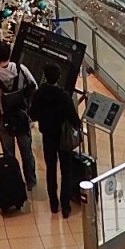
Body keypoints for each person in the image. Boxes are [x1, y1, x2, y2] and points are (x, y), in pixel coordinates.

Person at [29, 63, 81, 218]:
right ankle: (66, 206)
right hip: (63, 137)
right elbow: (73, 118)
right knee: (66, 171)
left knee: (50, 169)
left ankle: (53, 204)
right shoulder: (63, 95)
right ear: (59, 77)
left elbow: (33, 115)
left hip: (48, 136)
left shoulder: (39, 94)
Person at [0, 40, 38, 190]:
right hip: (22, 117)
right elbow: (34, 86)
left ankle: (15, 183)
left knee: (9, 155)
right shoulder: (21, 69)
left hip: (5, 120)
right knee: (27, 152)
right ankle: (31, 182)